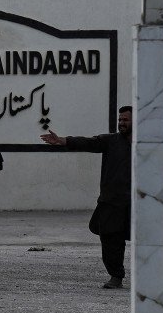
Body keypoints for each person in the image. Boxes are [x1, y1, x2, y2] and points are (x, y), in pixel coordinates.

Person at [42, 105, 132, 288]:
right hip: (112, 201)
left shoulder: (150, 143)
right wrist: (63, 141)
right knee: (110, 240)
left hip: (140, 202)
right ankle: (116, 276)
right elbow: (89, 142)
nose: (121, 123)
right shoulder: (111, 141)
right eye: (120, 120)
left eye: (125, 120)